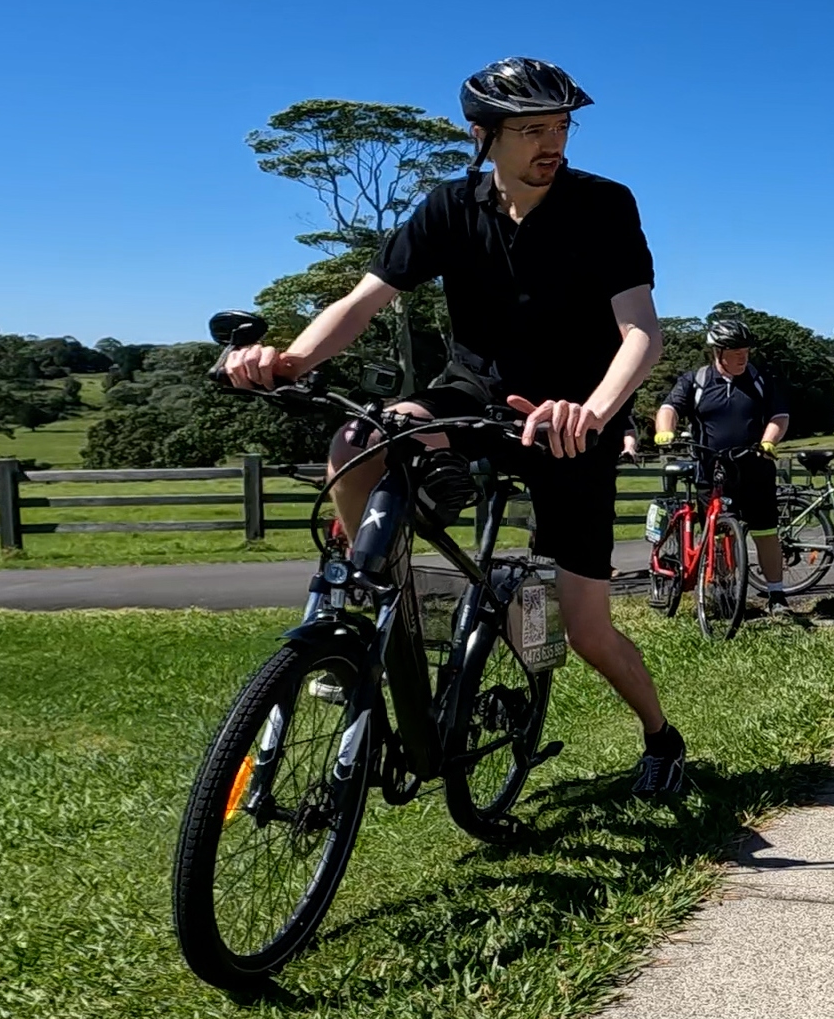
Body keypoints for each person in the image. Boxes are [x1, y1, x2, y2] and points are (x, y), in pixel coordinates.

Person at [222, 57, 690, 798]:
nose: (554, 143)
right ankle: (386, 621)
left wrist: (593, 412)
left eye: (562, 126)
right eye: (533, 129)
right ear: (483, 135)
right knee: (361, 440)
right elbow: (365, 298)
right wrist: (288, 359)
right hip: (471, 399)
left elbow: (641, 334)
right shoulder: (448, 207)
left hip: (568, 421)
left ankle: (662, 738)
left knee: (588, 631)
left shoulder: (603, 205)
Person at [654, 315, 793, 612]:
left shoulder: (760, 380)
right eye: (735, 352)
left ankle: (777, 595)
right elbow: (669, 407)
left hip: (755, 467)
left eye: (746, 351)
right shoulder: (697, 380)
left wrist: (769, 441)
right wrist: (664, 430)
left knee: (766, 532)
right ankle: (723, 591)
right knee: (717, 533)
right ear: (718, 352)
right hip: (712, 470)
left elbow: (779, 416)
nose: (743, 356)